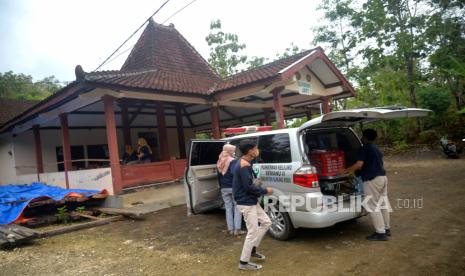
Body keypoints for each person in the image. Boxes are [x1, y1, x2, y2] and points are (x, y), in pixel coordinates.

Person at [339, 128, 391, 241]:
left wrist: (345, 171)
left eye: (362, 136)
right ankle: (387, 229)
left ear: (365, 137)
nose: (361, 138)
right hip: (382, 178)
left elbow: (359, 165)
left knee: (372, 206)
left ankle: (380, 233)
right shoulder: (376, 148)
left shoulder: (364, 148)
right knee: (382, 204)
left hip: (372, 180)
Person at [233, 139, 273, 271]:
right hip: (246, 202)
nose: (257, 150)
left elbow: (250, 184)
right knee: (252, 231)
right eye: (255, 148)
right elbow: (248, 187)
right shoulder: (243, 165)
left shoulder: (246, 163)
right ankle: (243, 263)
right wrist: (265, 191)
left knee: (266, 222)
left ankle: (252, 249)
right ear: (250, 151)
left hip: (251, 200)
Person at [217, 144, 244, 235]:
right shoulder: (233, 161)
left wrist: (221, 186)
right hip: (233, 187)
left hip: (224, 188)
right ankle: (237, 230)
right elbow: (234, 174)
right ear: (229, 151)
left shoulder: (220, 160)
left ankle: (230, 229)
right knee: (237, 208)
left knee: (228, 208)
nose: (233, 152)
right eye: (232, 150)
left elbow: (219, 175)